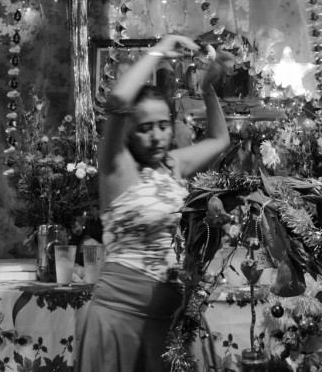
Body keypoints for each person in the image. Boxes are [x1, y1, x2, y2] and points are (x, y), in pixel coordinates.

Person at [75, 35, 230, 372]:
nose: (158, 135)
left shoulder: (173, 165)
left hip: (168, 323)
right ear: (129, 132)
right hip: (119, 319)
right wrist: (159, 51)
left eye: (163, 125)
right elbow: (117, 100)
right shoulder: (117, 168)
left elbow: (220, 139)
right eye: (145, 128)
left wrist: (208, 89)